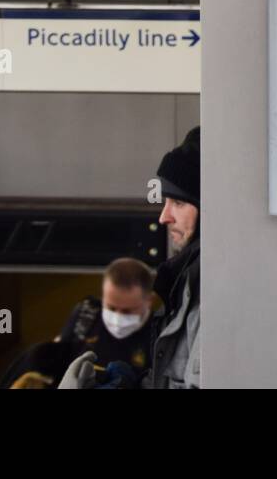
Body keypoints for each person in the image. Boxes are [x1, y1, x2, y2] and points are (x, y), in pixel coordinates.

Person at [61, 127, 201, 389]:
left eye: (178, 203)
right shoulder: (186, 287)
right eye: (165, 201)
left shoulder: (210, 301)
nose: (164, 216)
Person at [56, 257, 156, 373]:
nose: (117, 318)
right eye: (111, 308)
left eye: (127, 311)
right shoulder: (86, 315)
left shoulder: (162, 334)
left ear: (149, 300)